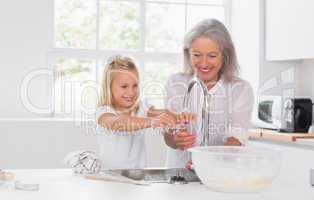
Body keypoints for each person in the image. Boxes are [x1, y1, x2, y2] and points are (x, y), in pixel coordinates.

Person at [163, 19, 254, 168]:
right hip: (178, 174)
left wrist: (209, 161)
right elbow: (168, 135)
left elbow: (236, 137)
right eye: (197, 55)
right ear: (188, 53)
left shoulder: (240, 89)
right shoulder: (176, 83)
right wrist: (176, 139)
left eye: (212, 56)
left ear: (225, 56)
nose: (204, 63)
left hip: (221, 173)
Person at [96, 55, 190, 169]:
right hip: (110, 177)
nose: (131, 92)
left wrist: (179, 117)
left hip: (138, 176)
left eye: (135, 85)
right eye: (124, 86)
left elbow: (163, 113)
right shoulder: (105, 112)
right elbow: (119, 123)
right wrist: (153, 121)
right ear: (109, 87)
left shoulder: (141, 107)